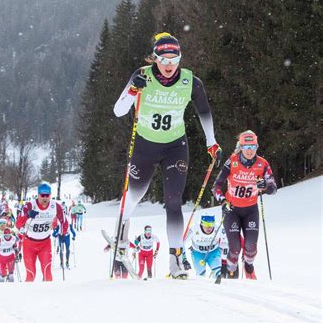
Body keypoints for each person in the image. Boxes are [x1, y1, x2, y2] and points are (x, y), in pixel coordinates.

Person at [113, 32, 222, 279]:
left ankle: (176, 259)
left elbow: (204, 111)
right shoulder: (142, 75)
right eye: (164, 60)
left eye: (175, 60)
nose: (170, 65)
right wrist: (132, 90)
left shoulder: (191, 82)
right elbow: (119, 111)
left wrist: (211, 141)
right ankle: (121, 242)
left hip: (175, 146)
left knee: (173, 201)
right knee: (134, 195)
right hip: (145, 145)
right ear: (155, 59)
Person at [212, 130, 277, 279]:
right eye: (246, 147)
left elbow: (273, 189)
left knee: (250, 247)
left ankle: (248, 266)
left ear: (257, 147)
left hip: (250, 210)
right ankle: (231, 268)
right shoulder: (232, 162)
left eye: (253, 147)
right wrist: (222, 202)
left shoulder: (262, 164)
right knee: (234, 249)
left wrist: (265, 185)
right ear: (241, 147)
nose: (250, 151)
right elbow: (216, 186)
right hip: (232, 210)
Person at [15, 182, 68, 282]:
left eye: (47, 195)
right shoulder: (29, 205)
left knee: (47, 274)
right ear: (38, 195)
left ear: (50, 195)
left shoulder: (55, 207)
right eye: (42, 195)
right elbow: (17, 224)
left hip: (45, 244)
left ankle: (48, 296)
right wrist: (28, 215)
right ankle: (28, 296)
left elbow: (64, 222)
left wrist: (62, 233)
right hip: (29, 244)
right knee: (31, 275)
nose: (44, 198)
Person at [185, 214, 223, 282]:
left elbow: (227, 240)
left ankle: (218, 287)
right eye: (206, 224)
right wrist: (183, 259)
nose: (209, 228)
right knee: (201, 275)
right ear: (201, 223)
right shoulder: (194, 228)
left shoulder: (219, 228)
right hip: (198, 253)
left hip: (213, 252)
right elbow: (181, 242)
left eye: (211, 224)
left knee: (217, 271)